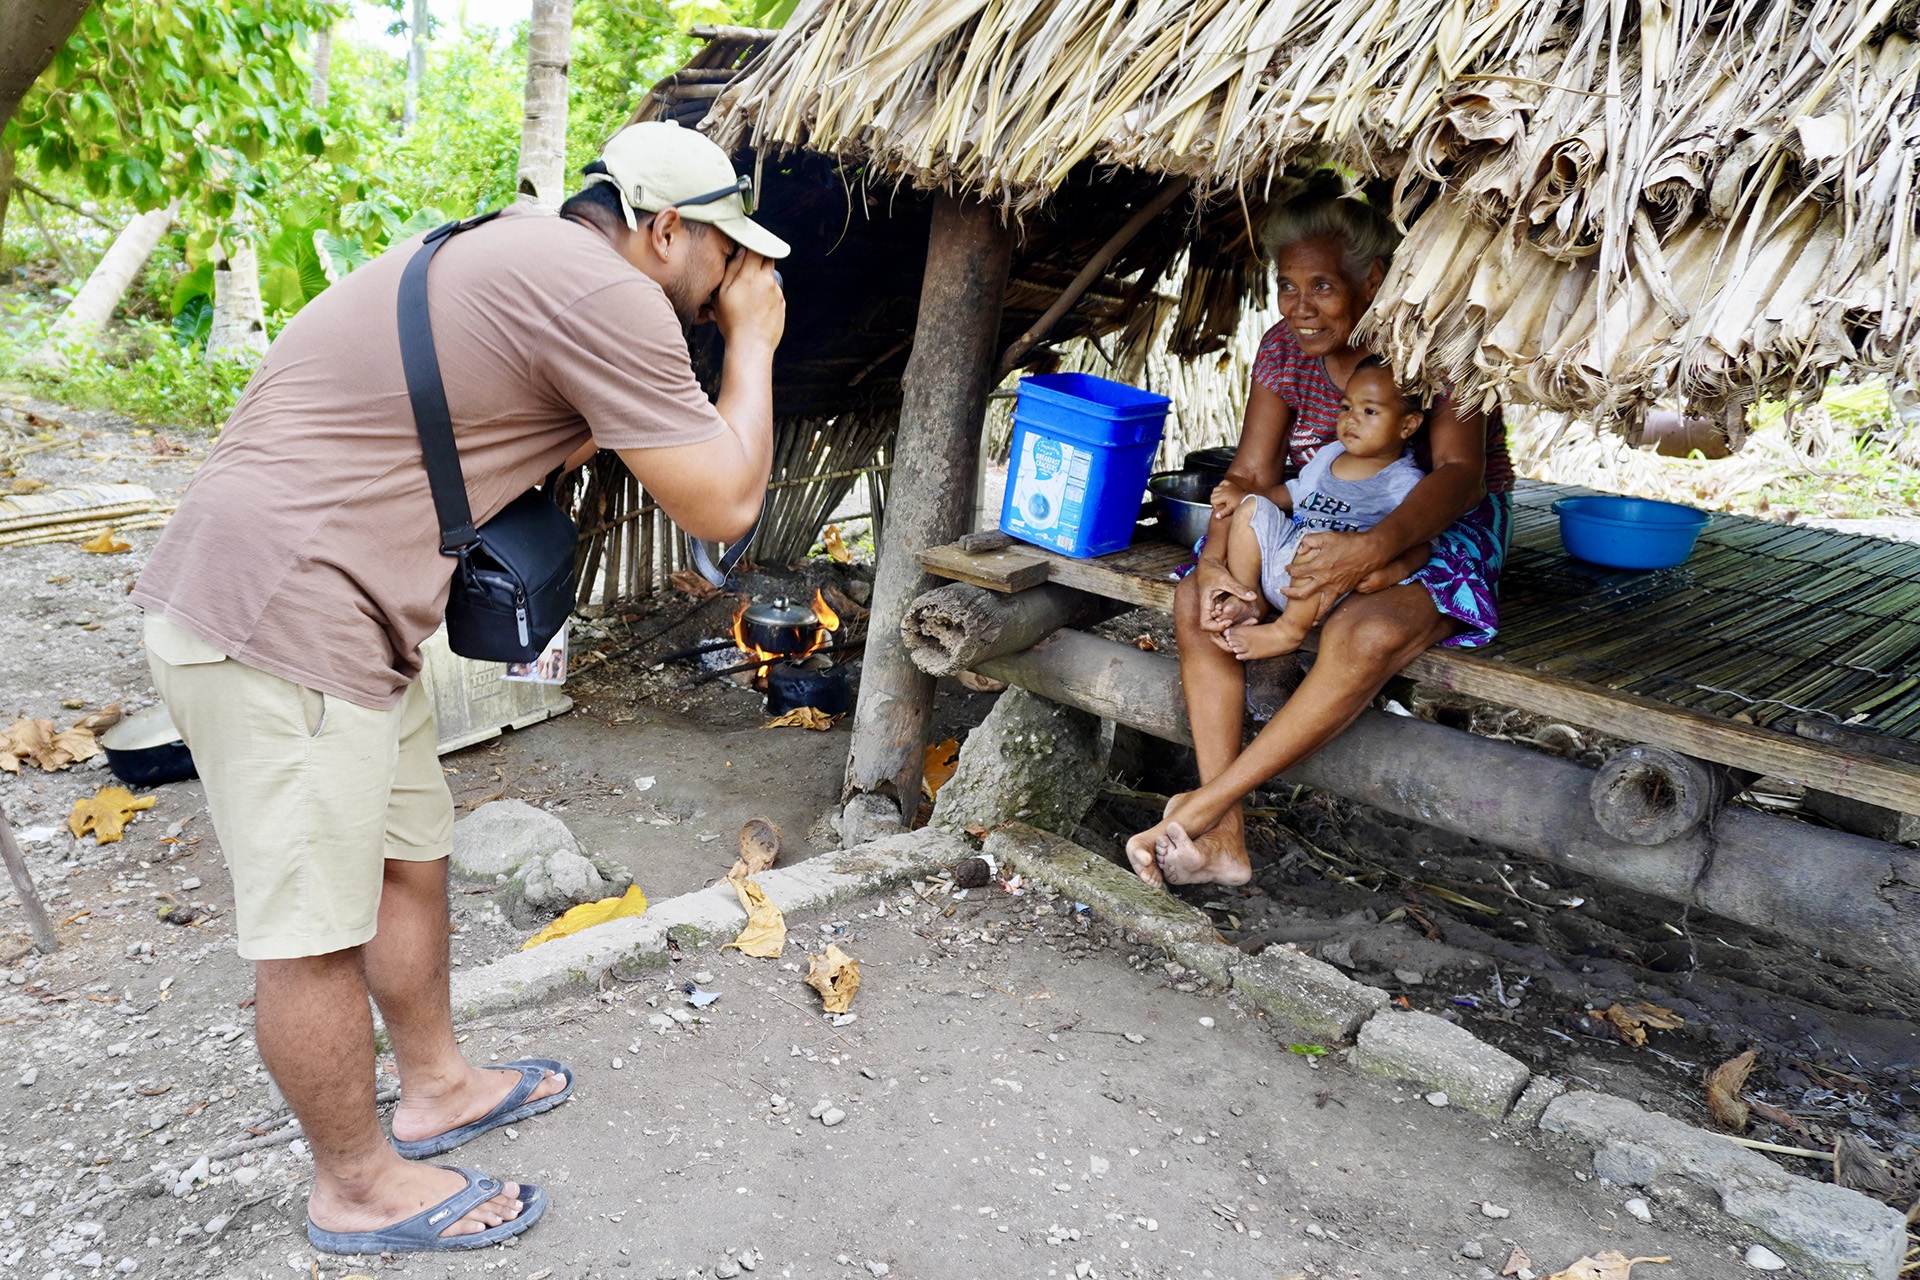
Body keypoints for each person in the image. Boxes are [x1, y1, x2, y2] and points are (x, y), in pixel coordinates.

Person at [130, 121, 788, 1254]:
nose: (731, 284)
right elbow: (725, 503)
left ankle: (434, 1083)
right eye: (727, 259)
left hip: (344, 612)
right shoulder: (608, 293)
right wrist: (756, 344)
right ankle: (354, 1184)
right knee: (311, 933)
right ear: (665, 229)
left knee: (409, 856)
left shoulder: (520, 252)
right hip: (280, 616)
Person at [1128, 179, 1512, 888]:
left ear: (1374, 280)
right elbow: (1249, 473)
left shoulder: (1435, 345)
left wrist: (1372, 549)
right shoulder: (1284, 350)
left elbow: (1460, 476)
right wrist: (1216, 565)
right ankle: (1225, 842)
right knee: (1197, 604)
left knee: (1362, 634)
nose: (1300, 307)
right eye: (1287, 286)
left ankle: (1206, 809)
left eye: (1323, 286)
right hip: (1315, 520)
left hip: (1434, 531)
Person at [1207, 356, 1427, 660]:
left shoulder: (1403, 481)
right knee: (1251, 508)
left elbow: (1421, 542)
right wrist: (1245, 495)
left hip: (1331, 584)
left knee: (1318, 549)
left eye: (1370, 411)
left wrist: (1392, 572)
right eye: (1346, 407)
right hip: (1288, 555)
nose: (1351, 419)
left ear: (1408, 425)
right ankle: (1249, 596)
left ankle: (1288, 631)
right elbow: (1294, 493)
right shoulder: (1331, 453)